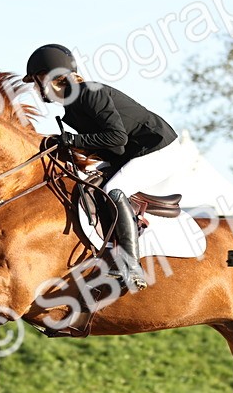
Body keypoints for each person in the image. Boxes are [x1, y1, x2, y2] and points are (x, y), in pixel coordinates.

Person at [23, 43, 183, 290]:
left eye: (35, 81)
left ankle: (131, 265)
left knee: (114, 188)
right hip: (129, 152)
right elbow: (113, 147)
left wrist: (73, 140)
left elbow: (117, 138)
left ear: (49, 77)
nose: (35, 88)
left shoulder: (88, 92)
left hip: (159, 148)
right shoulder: (72, 105)